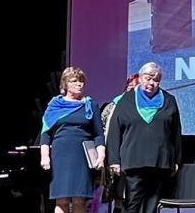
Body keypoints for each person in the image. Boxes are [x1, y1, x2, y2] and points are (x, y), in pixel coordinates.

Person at [108, 62, 182, 213]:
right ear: (141, 78)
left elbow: (175, 132)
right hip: (134, 160)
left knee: (152, 205)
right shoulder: (126, 100)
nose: (151, 83)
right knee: (133, 203)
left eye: (156, 80)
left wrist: (176, 160)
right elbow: (114, 131)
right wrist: (114, 160)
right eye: (148, 78)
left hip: (159, 160)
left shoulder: (169, 100)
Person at [41, 67, 105, 213]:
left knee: (79, 199)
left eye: (81, 81)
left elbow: (98, 134)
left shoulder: (90, 105)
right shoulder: (54, 105)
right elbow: (46, 133)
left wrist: (101, 155)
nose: (79, 84)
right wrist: (45, 157)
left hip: (81, 155)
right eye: (74, 81)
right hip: (60, 155)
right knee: (61, 199)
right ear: (65, 84)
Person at [102, 74, 141, 211]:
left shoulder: (145, 106)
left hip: (136, 154)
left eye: (135, 87)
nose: (131, 89)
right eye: (130, 86)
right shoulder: (114, 104)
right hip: (116, 153)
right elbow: (104, 127)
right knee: (118, 192)